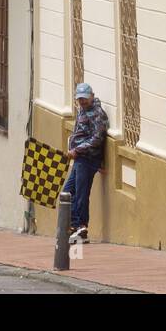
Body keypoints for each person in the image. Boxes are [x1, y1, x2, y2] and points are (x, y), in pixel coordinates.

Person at [61, 82, 108, 244]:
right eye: (80, 99)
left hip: (87, 159)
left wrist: (78, 149)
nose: (82, 102)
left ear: (92, 97)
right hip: (80, 159)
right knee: (68, 192)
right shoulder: (83, 110)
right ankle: (74, 226)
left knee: (81, 194)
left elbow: (97, 138)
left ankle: (81, 228)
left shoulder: (97, 114)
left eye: (85, 99)